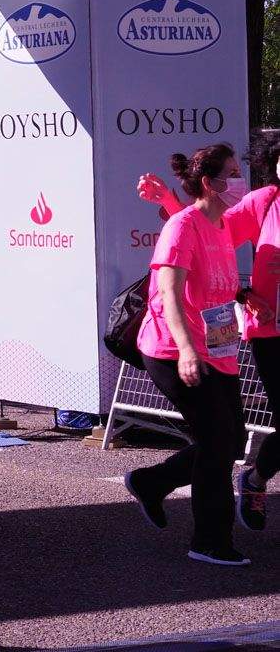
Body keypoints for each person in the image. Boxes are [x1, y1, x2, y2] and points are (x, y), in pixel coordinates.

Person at [125, 143, 263, 567]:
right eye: (233, 174)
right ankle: (209, 540)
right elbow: (167, 291)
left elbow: (213, 276)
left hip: (218, 347)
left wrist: (244, 293)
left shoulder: (219, 225)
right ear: (210, 182)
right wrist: (186, 350)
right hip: (173, 350)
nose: (240, 182)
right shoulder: (183, 226)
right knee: (217, 443)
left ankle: (151, 482)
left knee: (231, 439)